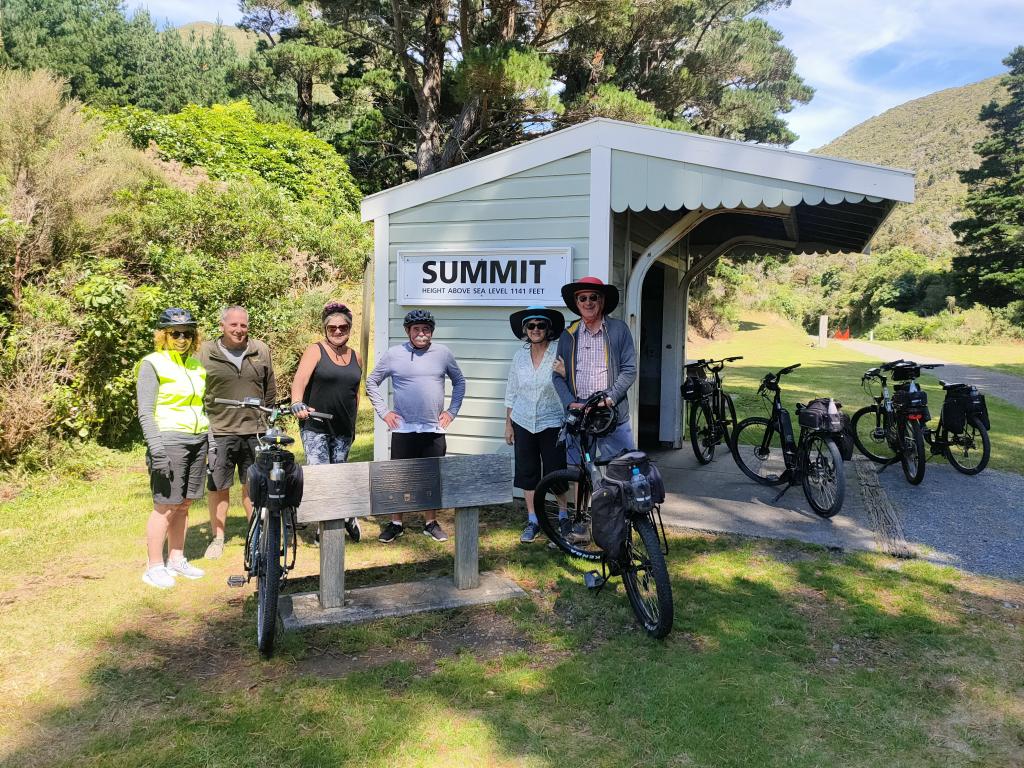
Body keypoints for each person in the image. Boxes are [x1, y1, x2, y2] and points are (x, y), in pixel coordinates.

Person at [366, 309, 466, 544]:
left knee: (432, 477)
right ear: (408, 332)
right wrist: (384, 412)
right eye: (416, 329)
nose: (421, 333)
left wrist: (451, 412)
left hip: (433, 429)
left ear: (431, 331)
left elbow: (459, 381)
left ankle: (430, 522)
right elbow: (372, 381)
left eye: (426, 329)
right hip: (404, 428)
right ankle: (396, 523)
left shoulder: (443, 353)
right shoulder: (393, 355)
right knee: (399, 477)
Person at [136, 307, 209, 589]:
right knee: (165, 505)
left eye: (187, 334)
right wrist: (156, 449)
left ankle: (176, 559)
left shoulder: (196, 366)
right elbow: (145, 411)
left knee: (185, 503)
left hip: (197, 439)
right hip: (169, 440)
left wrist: (210, 441)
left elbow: (202, 407)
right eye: (175, 333)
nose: (182, 339)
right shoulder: (152, 364)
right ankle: (154, 566)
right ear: (163, 336)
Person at [197, 306, 276, 559]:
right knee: (219, 486)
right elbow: (196, 390)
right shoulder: (206, 352)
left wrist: (267, 418)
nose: (239, 330)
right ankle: (218, 538)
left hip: (255, 430)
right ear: (222, 326)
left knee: (252, 485)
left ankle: (256, 534)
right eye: (233, 325)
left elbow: (270, 388)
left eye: (243, 325)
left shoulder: (259, 350)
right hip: (219, 430)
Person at [291, 301, 363, 541]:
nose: (338, 331)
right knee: (321, 475)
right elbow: (300, 379)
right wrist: (297, 403)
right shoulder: (316, 350)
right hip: (316, 424)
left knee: (339, 473)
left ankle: (346, 516)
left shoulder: (356, 356)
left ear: (349, 328)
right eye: (332, 328)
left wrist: (354, 421)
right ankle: (325, 526)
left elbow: (355, 391)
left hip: (344, 426)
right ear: (325, 329)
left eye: (343, 327)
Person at [552, 276, 637, 461]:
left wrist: (610, 398)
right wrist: (570, 403)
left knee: (623, 467)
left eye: (593, 297)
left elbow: (629, 370)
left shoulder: (619, 329)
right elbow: (557, 376)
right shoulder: (568, 334)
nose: (588, 302)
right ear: (577, 303)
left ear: (602, 300)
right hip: (578, 410)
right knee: (578, 470)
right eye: (582, 298)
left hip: (610, 409)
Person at [504, 306, 569, 543]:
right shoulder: (519, 356)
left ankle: (563, 515)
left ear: (548, 329)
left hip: (552, 421)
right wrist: (508, 424)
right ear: (525, 330)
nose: (536, 329)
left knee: (556, 471)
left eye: (541, 325)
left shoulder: (558, 353)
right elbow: (511, 391)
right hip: (522, 421)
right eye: (531, 326)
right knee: (527, 471)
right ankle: (533, 520)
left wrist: (565, 373)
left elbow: (572, 384)